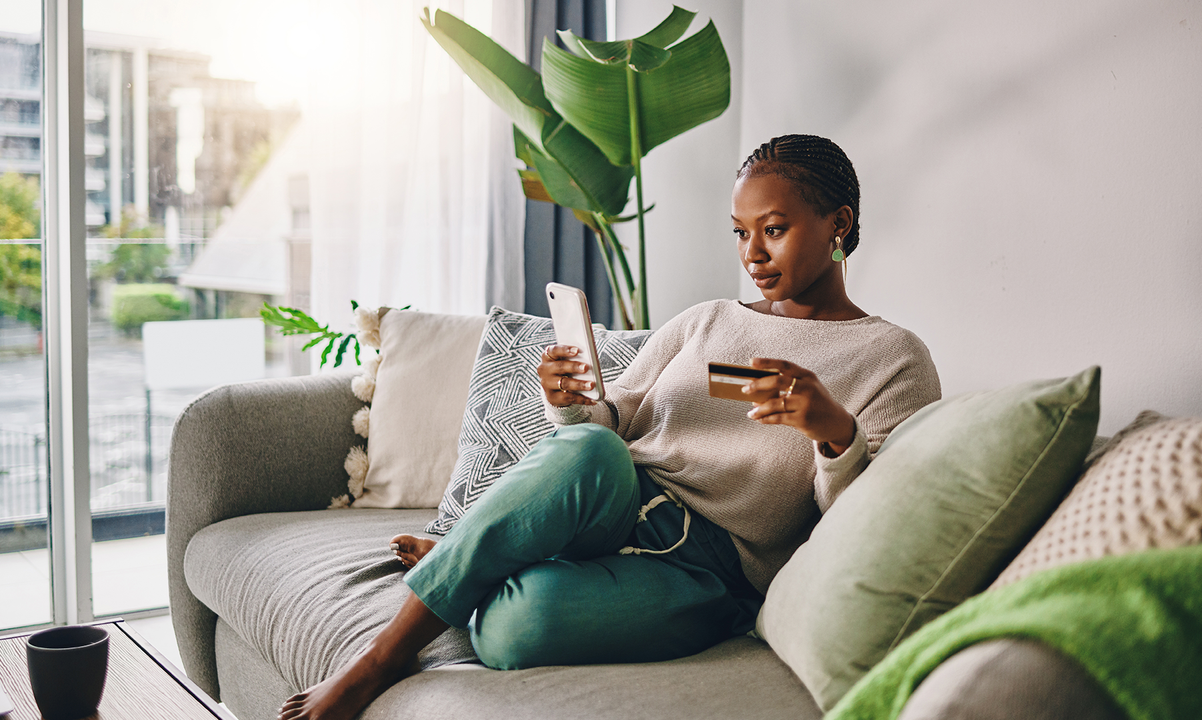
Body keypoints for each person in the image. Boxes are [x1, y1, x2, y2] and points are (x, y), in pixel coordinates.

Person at [278, 134, 941, 720]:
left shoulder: (892, 358)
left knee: (514, 632)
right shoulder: (708, 320)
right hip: (614, 494)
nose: (754, 254)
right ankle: (379, 660)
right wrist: (570, 398)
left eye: (773, 229)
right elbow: (613, 416)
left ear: (838, 224)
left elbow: (865, 527)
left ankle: (473, 560)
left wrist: (833, 433)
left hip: (711, 572)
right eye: (740, 232)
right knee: (590, 446)